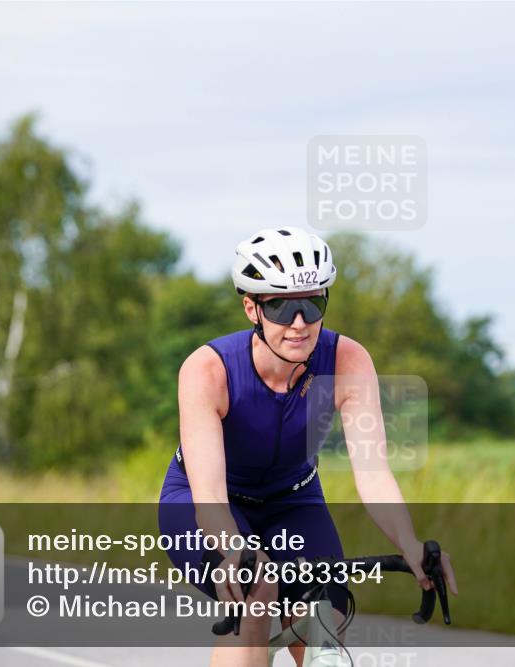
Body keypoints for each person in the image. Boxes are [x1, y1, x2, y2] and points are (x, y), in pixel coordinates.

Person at [158, 226, 457, 667]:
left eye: (311, 304)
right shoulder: (208, 370)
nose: (299, 323)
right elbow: (210, 499)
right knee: (256, 597)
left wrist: (410, 543)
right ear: (251, 308)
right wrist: (233, 551)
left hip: (294, 501)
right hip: (207, 502)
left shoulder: (347, 360)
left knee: (321, 618)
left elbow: (373, 472)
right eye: (281, 306)